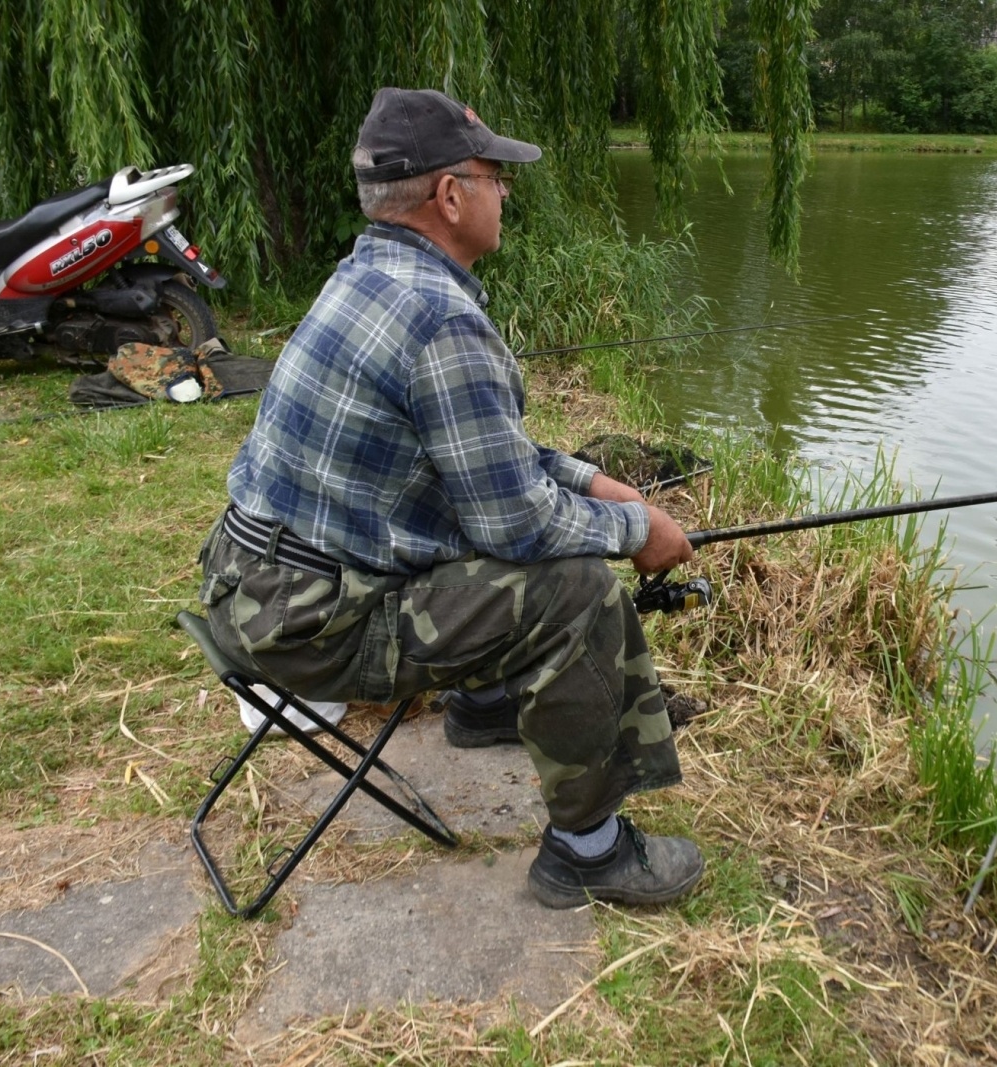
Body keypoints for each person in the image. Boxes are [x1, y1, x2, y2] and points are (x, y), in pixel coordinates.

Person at [197, 87, 702, 909]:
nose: (508, 192)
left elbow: (480, 457)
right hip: (308, 629)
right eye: (496, 175)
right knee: (577, 588)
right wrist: (635, 527)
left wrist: (588, 476)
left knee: (499, 530)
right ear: (450, 194)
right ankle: (589, 850)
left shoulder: (368, 273)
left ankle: (486, 702)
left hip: (247, 587)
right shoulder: (439, 319)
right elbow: (518, 519)